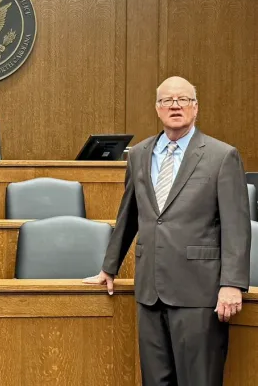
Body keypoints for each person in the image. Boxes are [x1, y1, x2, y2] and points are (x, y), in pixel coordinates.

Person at [84, 76, 251, 386]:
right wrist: (109, 267)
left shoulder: (221, 156)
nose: (175, 105)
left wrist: (232, 283)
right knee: (155, 381)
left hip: (198, 293)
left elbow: (236, 226)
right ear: (157, 108)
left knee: (198, 380)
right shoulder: (139, 154)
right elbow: (129, 216)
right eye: (167, 100)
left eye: (184, 99)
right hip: (150, 292)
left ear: (196, 107)